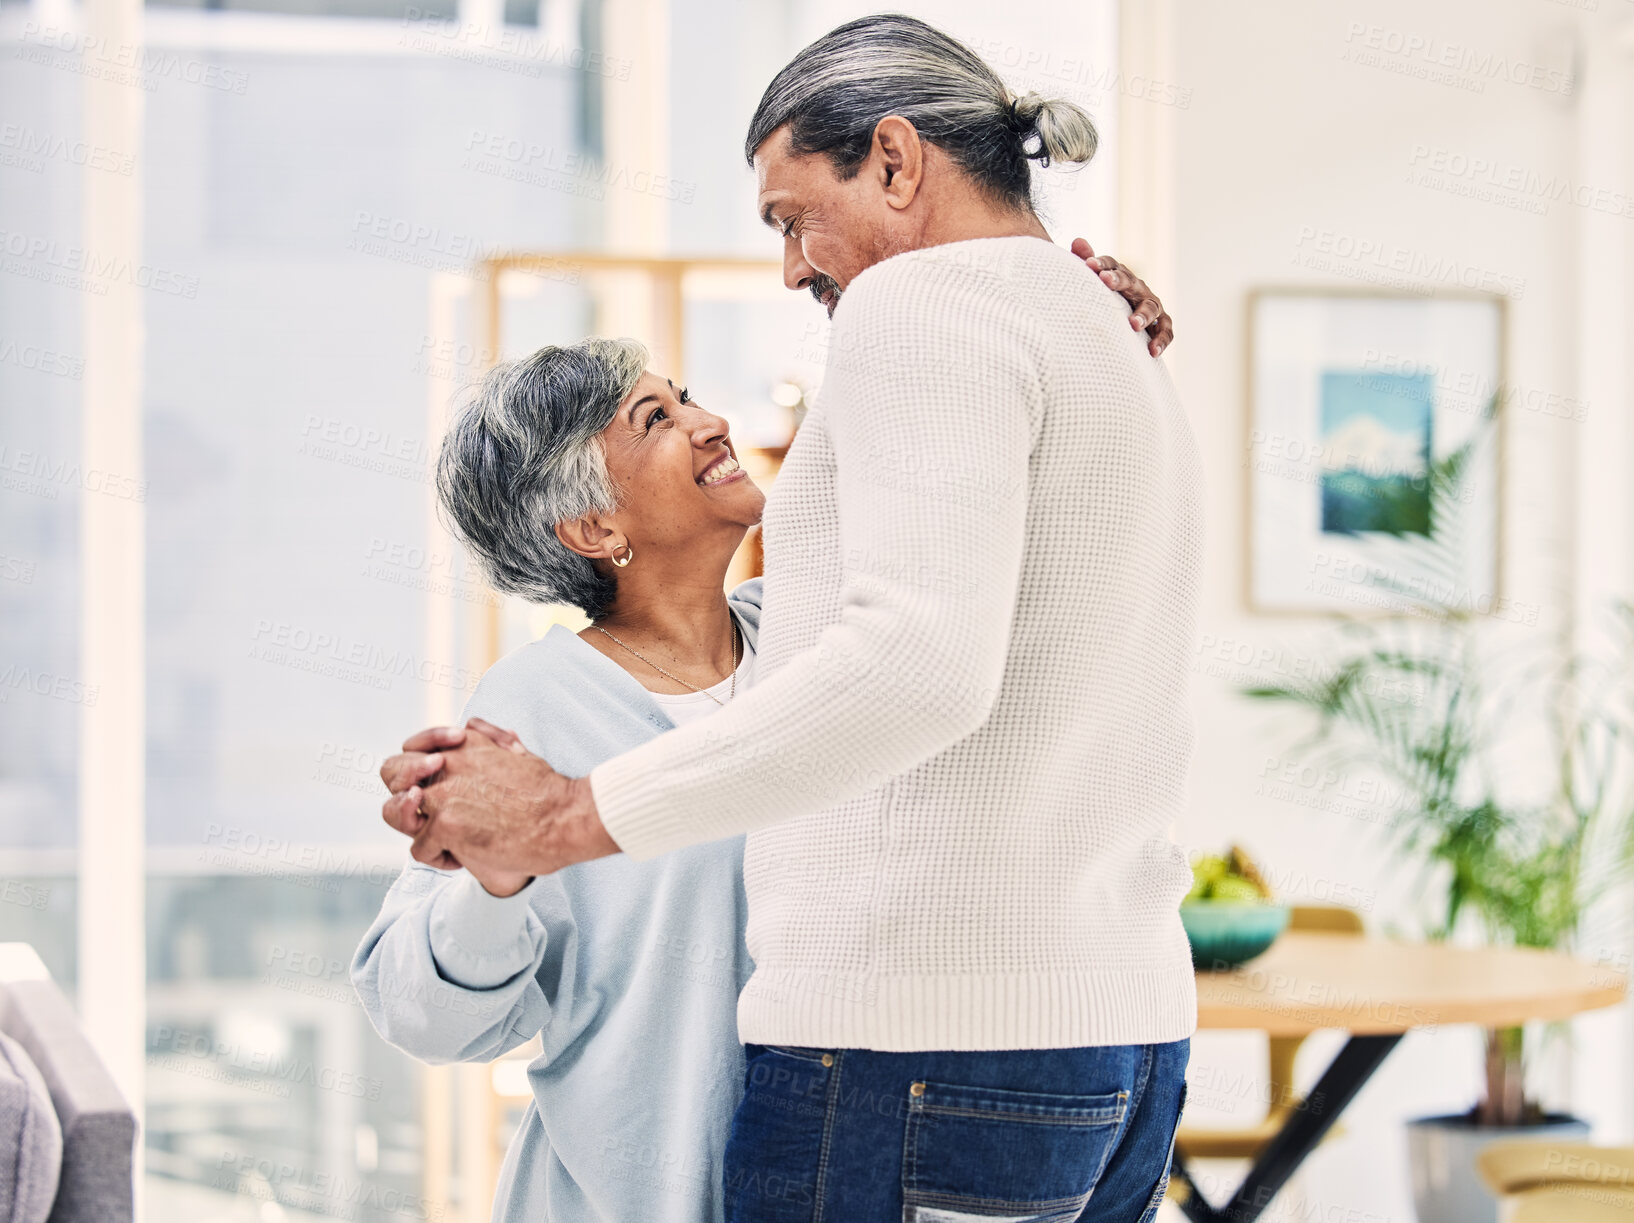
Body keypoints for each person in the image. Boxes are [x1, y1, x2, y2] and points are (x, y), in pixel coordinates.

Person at [382, 14, 1199, 1222]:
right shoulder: (1089, 329)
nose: (791, 266)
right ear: (588, 528)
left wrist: (562, 816)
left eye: (788, 215)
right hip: (1111, 1043)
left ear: (894, 158)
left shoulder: (924, 308)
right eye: (655, 421)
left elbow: (913, 663)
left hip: (922, 1052)